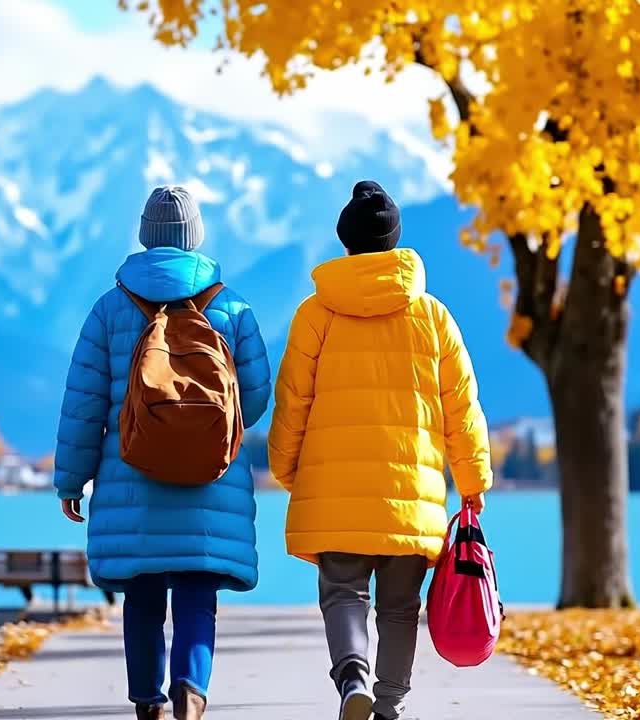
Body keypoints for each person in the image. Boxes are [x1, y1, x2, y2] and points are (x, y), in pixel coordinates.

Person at [267, 180, 492, 720]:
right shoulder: (434, 317)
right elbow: (461, 405)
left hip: (336, 490)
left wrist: (285, 466)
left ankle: (352, 679)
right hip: (410, 496)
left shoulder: (315, 314)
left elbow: (292, 400)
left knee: (343, 592)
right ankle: (389, 704)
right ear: (395, 242)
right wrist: (472, 479)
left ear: (346, 242)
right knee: (398, 608)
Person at [54, 185, 272, 720]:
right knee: (198, 591)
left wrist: (71, 479)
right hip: (210, 480)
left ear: (144, 237)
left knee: (143, 594)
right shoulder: (233, 308)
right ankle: (191, 691)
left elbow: (82, 405)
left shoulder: (108, 311)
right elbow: (259, 393)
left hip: (131, 473)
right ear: (195, 237)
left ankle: (147, 701)